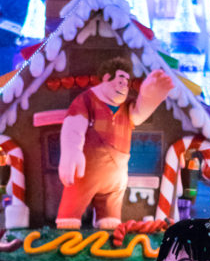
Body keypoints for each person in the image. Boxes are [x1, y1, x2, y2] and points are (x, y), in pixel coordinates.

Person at [56, 56, 173, 229]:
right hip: (86, 173)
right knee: (70, 214)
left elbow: (139, 114)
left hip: (116, 178)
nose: (123, 85)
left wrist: (150, 97)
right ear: (106, 78)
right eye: (120, 80)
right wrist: (71, 150)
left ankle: (109, 234)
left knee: (110, 219)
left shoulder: (126, 107)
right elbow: (74, 124)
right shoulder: (87, 100)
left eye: (126, 82)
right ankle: (65, 236)